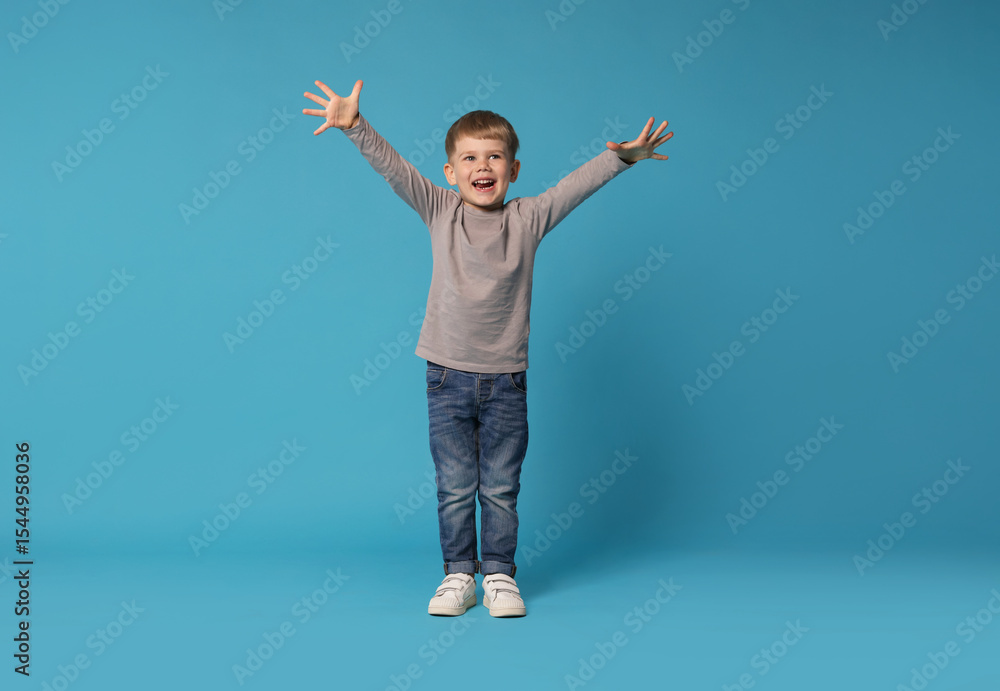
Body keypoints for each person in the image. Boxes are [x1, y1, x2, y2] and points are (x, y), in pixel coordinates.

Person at [302, 79, 672, 617]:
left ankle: (498, 574)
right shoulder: (440, 210)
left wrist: (623, 159)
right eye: (470, 158)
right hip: (446, 376)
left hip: (506, 380)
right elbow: (396, 170)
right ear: (451, 173)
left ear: (513, 170)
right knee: (455, 486)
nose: (483, 166)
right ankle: (459, 576)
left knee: (500, 486)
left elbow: (574, 187)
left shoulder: (528, 218)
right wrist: (355, 125)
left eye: (495, 157)